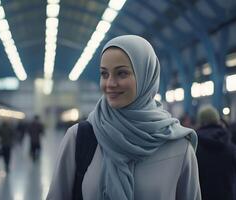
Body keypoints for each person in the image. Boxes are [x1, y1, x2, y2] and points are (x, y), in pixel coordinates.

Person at [46, 35, 201, 200]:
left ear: (145, 76)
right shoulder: (80, 138)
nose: (110, 83)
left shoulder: (179, 146)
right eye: (104, 74)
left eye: (122, 73)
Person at [196, 105, 236, 200]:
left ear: (200, 122)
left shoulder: (193, 147)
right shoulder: (231, 147)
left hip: (202, 196)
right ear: (217, 120)